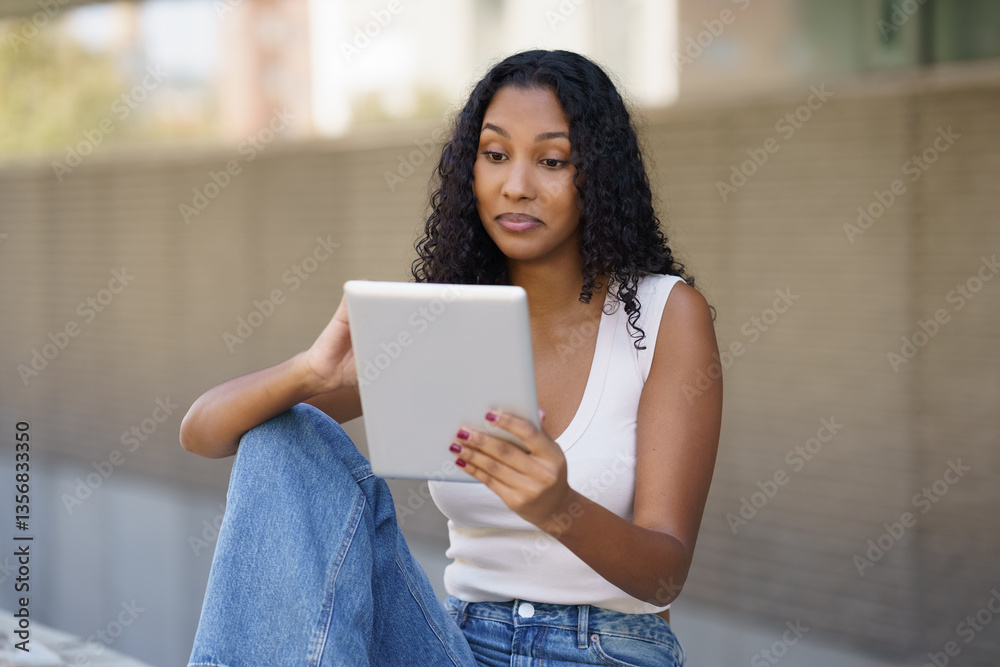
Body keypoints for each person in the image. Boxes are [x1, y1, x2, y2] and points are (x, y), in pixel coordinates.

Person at [181, 49, 721, 667]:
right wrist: (310, 372)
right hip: (456, 643)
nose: (516, 185)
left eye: (551, 161)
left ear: (598, 174)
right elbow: (204, 433)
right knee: (286, 434)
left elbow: (665, 575)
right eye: (495, 154)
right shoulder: (443, 320)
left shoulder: (663, 315)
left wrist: (559, 508)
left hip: (604, 648)